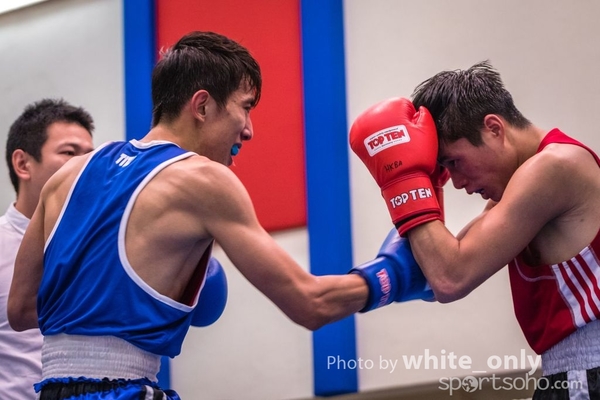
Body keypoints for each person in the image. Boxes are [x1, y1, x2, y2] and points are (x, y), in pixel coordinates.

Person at [7, 31, 429, 400]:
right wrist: (390, 275)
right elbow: (309, 303)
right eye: (245, 107)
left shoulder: (67, 176)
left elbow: (22, 309)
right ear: (202, 105)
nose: (249, 130)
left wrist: (115, 294)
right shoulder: (203, 179)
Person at [349, 60, 600, 399]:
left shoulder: (554, 167)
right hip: (571, 372)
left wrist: (404, 181)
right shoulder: (515, 192)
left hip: (587, 369)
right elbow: (435, 270)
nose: (456, 182)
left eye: (454, 162)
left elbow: (450, 276)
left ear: (494, 128)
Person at [0, 98, 95, 399]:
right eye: (69, 153)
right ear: (23, 164)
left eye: (90, 155)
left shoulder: (99, 248)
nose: (85, 165)